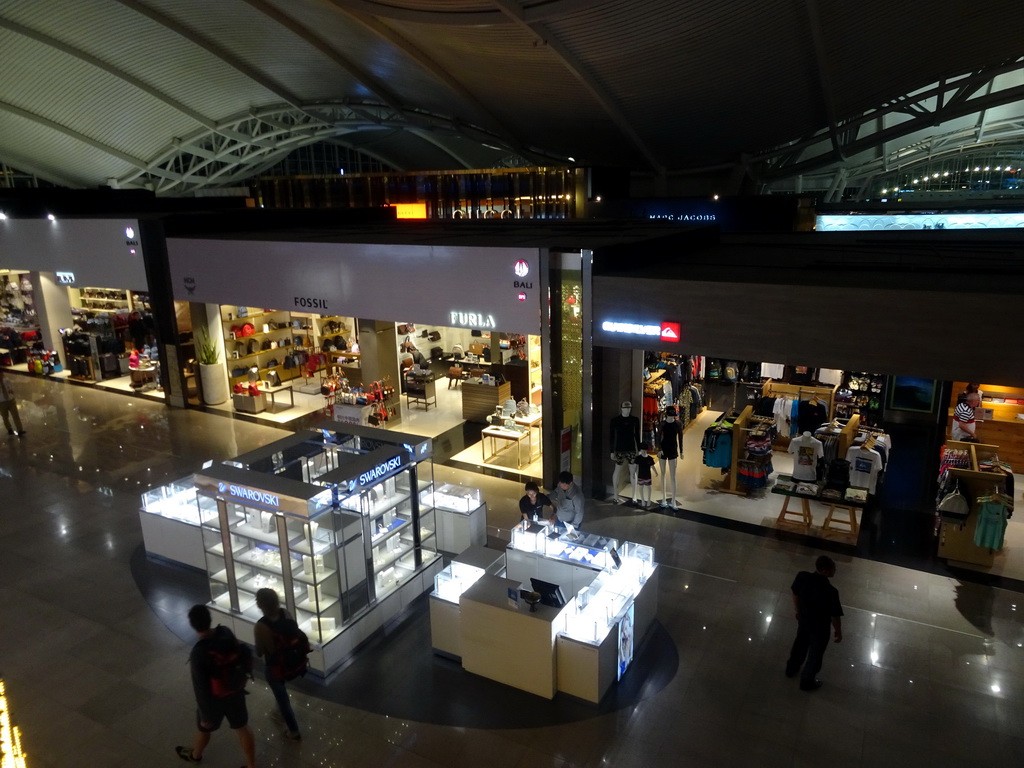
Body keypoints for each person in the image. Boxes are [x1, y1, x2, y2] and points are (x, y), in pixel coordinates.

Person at [176, 604, 257, 767]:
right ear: (210, 619)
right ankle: (251, 765)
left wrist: (205, 715)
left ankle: (195, 755)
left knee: (204, 730)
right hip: (235, 691)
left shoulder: (199, 652)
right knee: (242, 728)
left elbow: (201, 687)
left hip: (214, 700)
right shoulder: (225, 631)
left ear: (193, 626)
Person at [785, 555, 843, 691]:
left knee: (799, 646)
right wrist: (838, 631)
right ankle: (806, 682)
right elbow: (835, 616)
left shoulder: (802, 577)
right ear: (824, 571)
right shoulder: (831, 592)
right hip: (820, 628)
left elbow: (795, 594)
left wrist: (798, 611)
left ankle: (791, 669)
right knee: (815, 655)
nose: (834, 570)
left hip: (804, 621)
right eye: (832, 569)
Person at [254, 588, 302, 741]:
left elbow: (260, 652)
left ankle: (293, 730)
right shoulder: (285, 613)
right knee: (280, 691)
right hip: (289, 661)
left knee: (283, 698)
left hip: (274, 666)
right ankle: (278, 710)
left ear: (260, 605)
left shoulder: (261, 626)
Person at [609, 400, 641, 503]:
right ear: (621, 408)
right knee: (617, 470)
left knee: (633, 471)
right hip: (619, 449)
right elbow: (611, 436)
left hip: (631, 448)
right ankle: (615, 494)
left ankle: (634, 495)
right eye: (625, 408)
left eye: (629, 408)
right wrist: (611, 451)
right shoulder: (615, 421)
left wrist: (639, 449)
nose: (627, 409)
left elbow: (637, 435)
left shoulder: (635, 420)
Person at [658, 406, 683, 509]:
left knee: (673, 476)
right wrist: (659, 449)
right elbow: (658, 437)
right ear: (666, 415)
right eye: (670, 415)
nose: (672, 418)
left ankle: (673, 500)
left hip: (673, 450)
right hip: (663, 450)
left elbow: (681, 438)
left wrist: (681, 451)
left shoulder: (678, 424)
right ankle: (663, 499)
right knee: (663, 474)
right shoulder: (662, 424)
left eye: (673, 416)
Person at [0, 369, 25, 437]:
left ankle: (20, 430)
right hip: (2, 403)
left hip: (11, 401)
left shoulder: (7, 381)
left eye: (1, 374)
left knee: (16, 416)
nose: (1, 376)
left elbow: (12, 388)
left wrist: (11, 391)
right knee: (5, 417)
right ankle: (9, 429)